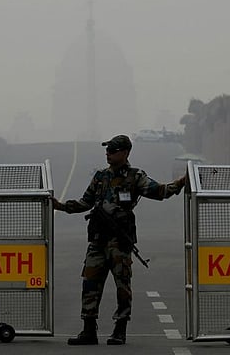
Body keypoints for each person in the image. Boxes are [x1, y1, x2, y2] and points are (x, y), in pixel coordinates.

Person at [53, 134, 186, 346]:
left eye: (113, 150)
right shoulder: (100, 177)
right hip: (98, 240)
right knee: (90, 283)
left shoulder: (135, 177)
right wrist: (61, 206)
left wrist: (181, 182)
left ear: (124, 153)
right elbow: (85, 202)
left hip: (119, 241)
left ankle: (120, 329)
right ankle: (88, 330)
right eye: (107, 150)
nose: (108, 153)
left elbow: (160, 191)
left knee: (122, 285)